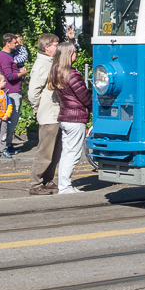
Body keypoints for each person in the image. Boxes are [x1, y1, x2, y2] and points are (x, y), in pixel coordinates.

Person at [48, 39, 91, 195]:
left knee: (66, 152)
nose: (76, 54)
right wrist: (94, 108)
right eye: (74, 52)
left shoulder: (56, 71)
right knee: (73, 153)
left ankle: (63, 184)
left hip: (65, 116)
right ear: (69, 55)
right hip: (76, 117)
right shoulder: (72, 74)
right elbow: (84, 96)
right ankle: (65, 187)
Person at [27, 32, 62, 195]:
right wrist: (37, 107)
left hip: (55, 113)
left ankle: (47, 180)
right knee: (45, 151)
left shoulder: (50, 62)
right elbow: (33, 92)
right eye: (55, 44)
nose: (57, 46)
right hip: (49, 113)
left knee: (55, 151)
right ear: (47, 47)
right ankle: (36, 183)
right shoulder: (42, 65)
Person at [0, 33, 26, 154]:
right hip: (11, 91)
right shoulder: (4, 57)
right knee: (11, 120)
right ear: (8, 44)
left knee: (12, 120)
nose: (17, 44)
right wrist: (22, 74)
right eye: (15, 42)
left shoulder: (9, 55)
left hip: (13, 90)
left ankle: (7, 144)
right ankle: (6, 146)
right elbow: (9, 76)